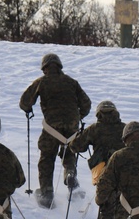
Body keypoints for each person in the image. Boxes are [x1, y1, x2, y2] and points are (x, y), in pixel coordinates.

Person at [18, 53, 91, 208]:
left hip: (52, 128)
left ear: (44, 68)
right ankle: (70, 175)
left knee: (47, 157)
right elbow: (86, 104)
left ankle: (47, 193)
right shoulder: (72, 82)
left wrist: (28, 109)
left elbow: (25, 101)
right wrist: (78, 118)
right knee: (69, 153)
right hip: (72, 127)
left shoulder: (41, 82)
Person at [69, 100, 125, 219]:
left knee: (107, 218)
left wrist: (81, 134)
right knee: (125, 215)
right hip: (127, 179)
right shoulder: (125, 129)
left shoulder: (95, 129)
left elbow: (75, 147)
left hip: (105, 180)